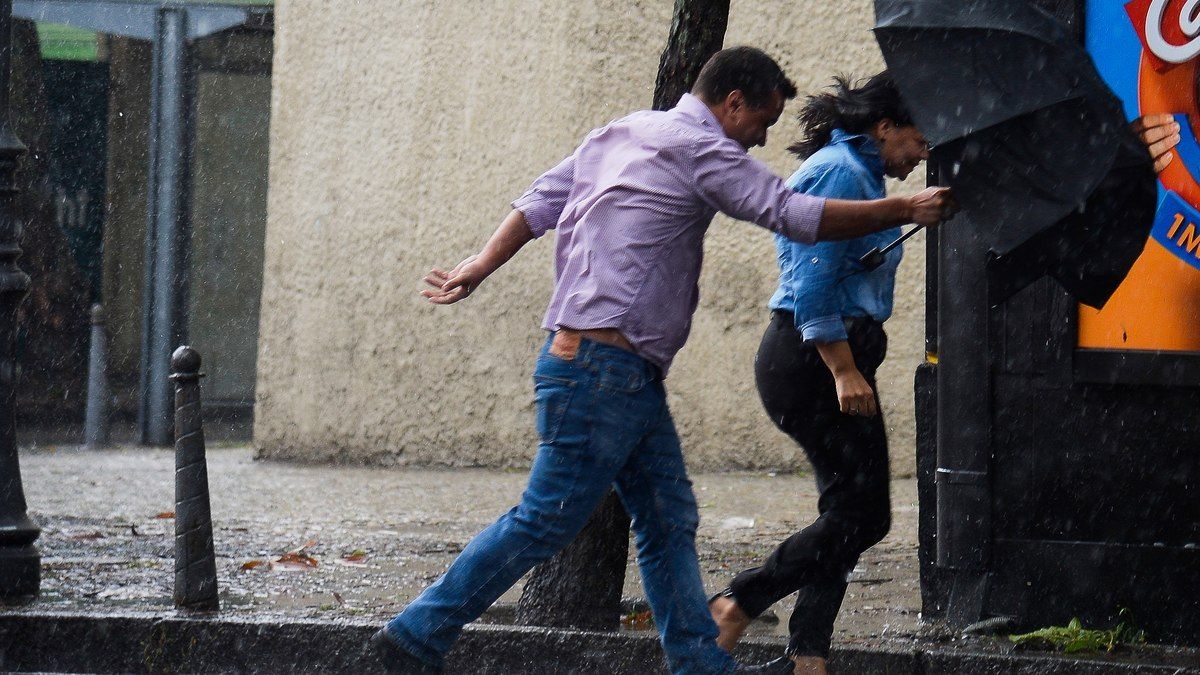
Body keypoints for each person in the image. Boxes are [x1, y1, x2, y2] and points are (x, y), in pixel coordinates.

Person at [369, 49, 956, 675]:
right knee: (544, 520)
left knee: (668, 521)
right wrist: (903, 209)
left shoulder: (624, 132)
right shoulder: (702, 151)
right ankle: (416, 634)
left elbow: (540, 200)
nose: (763, 138)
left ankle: (700, 665)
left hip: (622, 373)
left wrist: (480, 265)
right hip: (601, 369)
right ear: (732, 102)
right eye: (762, 120)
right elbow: (790, 215)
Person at [707, 72, 934, 675]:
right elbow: (810, 282)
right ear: (884, 128)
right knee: (864, 516)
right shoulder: (843, 171)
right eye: (918, 141)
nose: (922, 154)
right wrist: (841, 368)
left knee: (847, 513)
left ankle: (808, 657)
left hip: (833, 357)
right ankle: (737, 603)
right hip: (813, 360)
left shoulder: (864, 176)